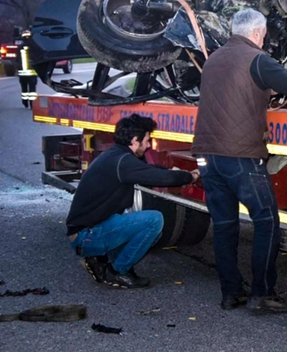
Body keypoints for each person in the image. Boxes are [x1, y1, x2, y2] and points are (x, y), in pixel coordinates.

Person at [195, 8, 287, 313]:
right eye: (263, 35)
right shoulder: (257, 59)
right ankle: (262, 294)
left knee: (224, 225)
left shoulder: (214, 58)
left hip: (207, 156)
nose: (264, 39)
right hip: (240, 157)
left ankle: (231, 293)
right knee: (267, 222)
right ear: (256, 33)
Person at [65, 114, 195, 289]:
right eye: (147, 141)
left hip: (86, 230)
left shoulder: (117, 156)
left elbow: (148, 170)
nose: (148, 145)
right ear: (135, 140)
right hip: (86, 234)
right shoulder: (122, 161)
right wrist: (190, 176)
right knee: (153, 220)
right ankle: (119, 271)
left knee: (142, 224)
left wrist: (170, 170)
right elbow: (159, 177)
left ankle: (101, 260)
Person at [14, 28, 38, 108]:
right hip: (32, 73)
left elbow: (16, 59)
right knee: (32, 89)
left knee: (24, 88)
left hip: (22, 73)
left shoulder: (20, 47)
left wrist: (18, 68)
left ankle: (25, 102)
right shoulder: (35, 47)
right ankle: (32, 104)